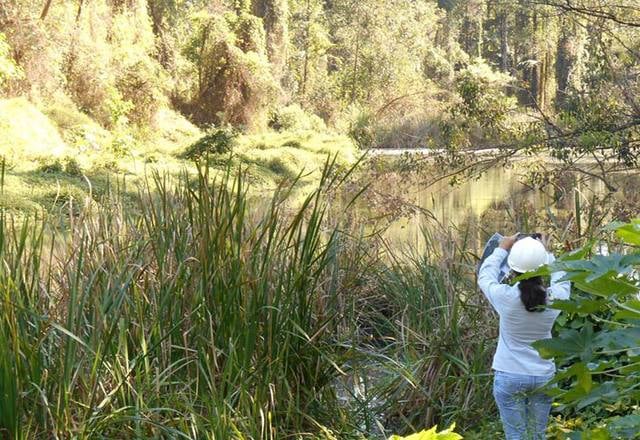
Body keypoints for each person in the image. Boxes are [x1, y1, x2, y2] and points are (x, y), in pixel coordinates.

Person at [478, 233, 571, 440]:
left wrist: (502, 248)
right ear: (543, 267)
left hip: (509, 375)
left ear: (513, 268)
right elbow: (563, 277)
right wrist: (549, 253)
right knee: (537, 435)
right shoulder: (556, 298)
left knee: (516, 436)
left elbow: (484, 276)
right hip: (543, 376)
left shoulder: (505, 297)